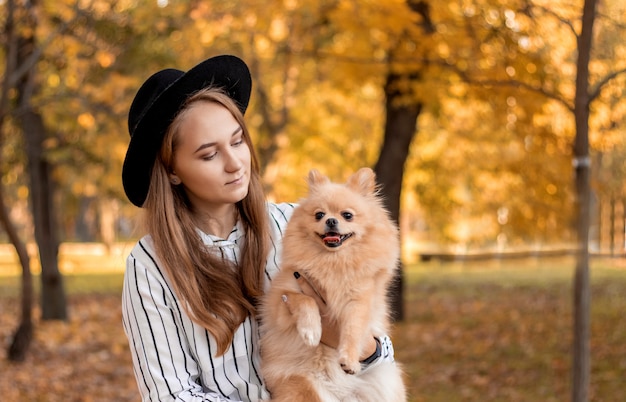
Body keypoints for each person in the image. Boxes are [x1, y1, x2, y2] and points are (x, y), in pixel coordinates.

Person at [121, 54, 397, 402]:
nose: (235, 163)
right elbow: (171, 394)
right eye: (209, 155)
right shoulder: (150, 266)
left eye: (237, 141)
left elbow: (376, 348)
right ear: (172, 170)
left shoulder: (295, 225)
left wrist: (353, 341)